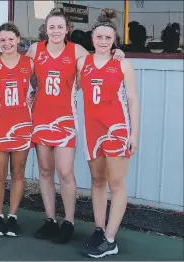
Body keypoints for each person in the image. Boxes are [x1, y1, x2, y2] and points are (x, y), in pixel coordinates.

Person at [21, 8, 124, 244]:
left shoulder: (77, 51)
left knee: (64, 171)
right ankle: (50, 219)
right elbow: (22, 70)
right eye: (51, 27)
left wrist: (117, 52)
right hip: (41, 117)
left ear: (67, 29)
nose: (55, 31)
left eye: (60, 27)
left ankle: (69, 221)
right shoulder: (36, 49)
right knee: (45, 171)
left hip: (65, 118)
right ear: (45, 30)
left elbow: (96, 63)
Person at [77, 8, 139, 258]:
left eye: (108, 38)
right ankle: (100, 229)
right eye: (99, 37)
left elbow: (133, 100)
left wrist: (136, 134)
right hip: (93, 131)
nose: (103, 41)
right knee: (97, 181)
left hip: (117, 129)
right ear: (92, 37)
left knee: (116, 183)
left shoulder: (122, 63)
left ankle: (111, 239)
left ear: (114, 40)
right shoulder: (83, 62)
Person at [0, 22, 34, 237]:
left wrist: (34, 97)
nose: (7, 43)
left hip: (23, 124)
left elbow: (39, 87)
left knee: (18, 173)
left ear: (18, 39)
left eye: (11, 39)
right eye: (2, 40)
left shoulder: (30, 63)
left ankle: (12, 216)